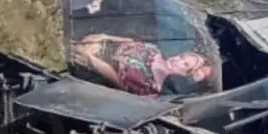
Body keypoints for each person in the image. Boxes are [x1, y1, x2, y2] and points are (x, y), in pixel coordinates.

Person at [70, 33, 213, 97]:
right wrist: (104, 37)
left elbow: (116, 80)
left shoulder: (153, 86)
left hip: (90, 64)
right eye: (181, 56)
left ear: (184, 75)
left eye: (185, 64)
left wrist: (89, 58)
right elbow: (128, 41)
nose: (177, 60)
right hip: (93, 43)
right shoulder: (155, 50)